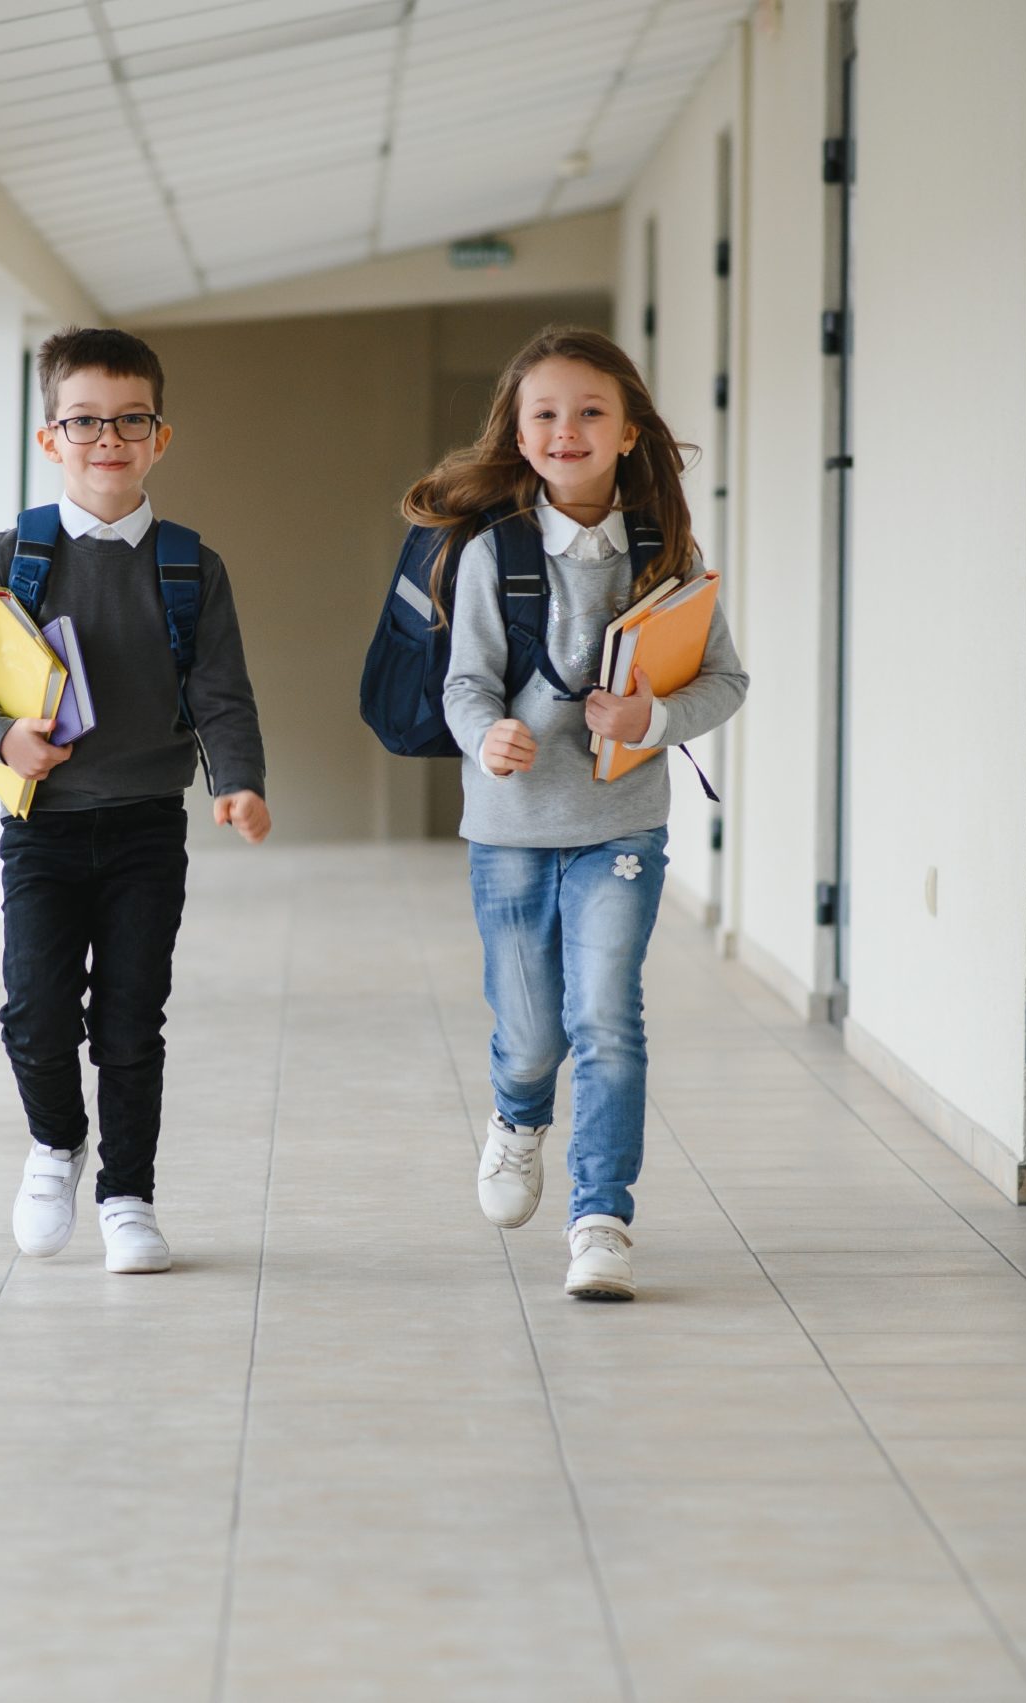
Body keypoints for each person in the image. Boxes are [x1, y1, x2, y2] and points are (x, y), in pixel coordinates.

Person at [0, 326, 270, 1275]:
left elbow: (222, 693)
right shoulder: (9, 558)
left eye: (129, 421)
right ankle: (55, 1144)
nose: (106, 438)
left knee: (129, 1014)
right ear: (50, 438)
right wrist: (4, 736)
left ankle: (127, 1194)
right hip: (41, 825)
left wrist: (238, 781)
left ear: (161, 436)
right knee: (35, 1010)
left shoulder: (191, 567)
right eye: (83, 421)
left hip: (147, 826)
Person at [418, 325, 747, 1299]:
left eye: (589, 411)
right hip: (512, 830)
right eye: (545, 414)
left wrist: (654, 716)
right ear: (519, 436)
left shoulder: (667, 554)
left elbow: (725, 680)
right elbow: (462, 682)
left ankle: (601, 1218)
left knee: (605, 1015)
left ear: (629, 432)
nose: (566, 429)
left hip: (620, 825)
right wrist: (487, 736)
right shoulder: (492, 554)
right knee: (532, 1034)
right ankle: (519, 1117)